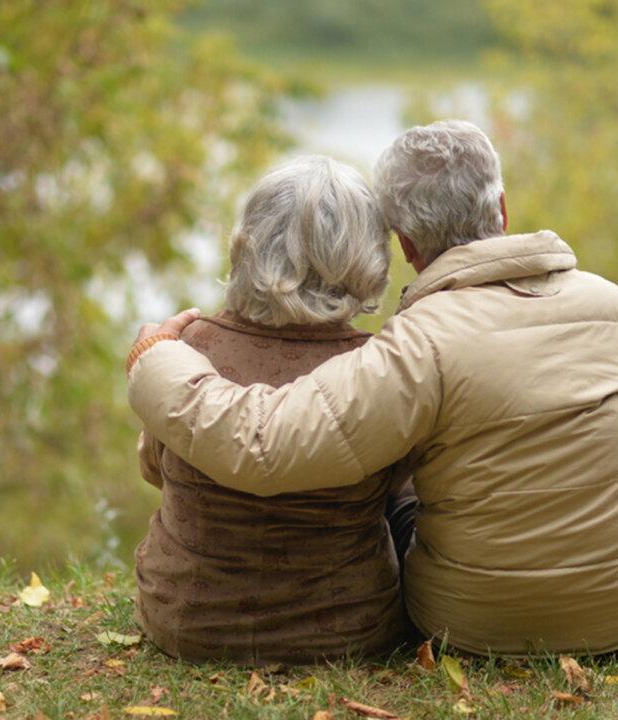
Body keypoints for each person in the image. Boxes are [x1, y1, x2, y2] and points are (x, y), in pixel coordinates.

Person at [126, 121, 618, 657]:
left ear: (403, 244)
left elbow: (263, 446)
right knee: (404, 469)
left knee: (402, 458)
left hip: (475, 622)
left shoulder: (417, 343)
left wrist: (156, 360)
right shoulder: (611, 304)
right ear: (501, 207)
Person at [132, 155, 413, 664]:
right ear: (367, 256)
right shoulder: (379, 366)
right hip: (348, 632)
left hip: (187, 622)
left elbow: (155, 469)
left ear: (249, 244)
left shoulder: (187, 349)